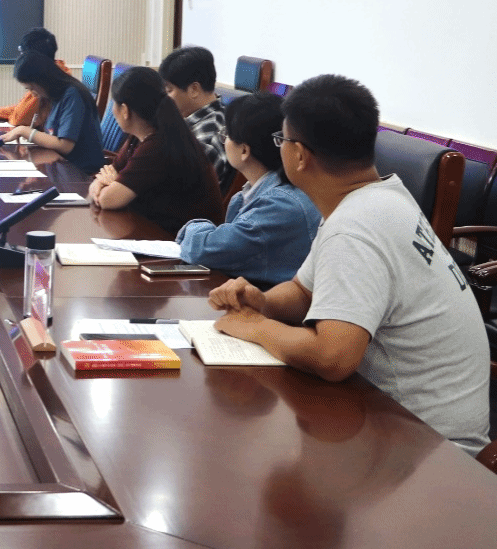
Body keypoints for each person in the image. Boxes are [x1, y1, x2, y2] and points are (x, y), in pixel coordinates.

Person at [207, 75, 490, 455]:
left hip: (433, 451)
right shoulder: (378, 197)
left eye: (281, 141)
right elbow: (304, 290)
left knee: (243, 450)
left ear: (299, 155)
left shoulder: (356, 227)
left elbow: (332, 357)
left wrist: (256, 327)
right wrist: (263, 302)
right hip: (403, 426)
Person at [176, 92, 321, 286]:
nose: (224, 141)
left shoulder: (281, 204)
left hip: (273, 303)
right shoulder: (246, 196)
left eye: (226, 135)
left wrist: (192, 228)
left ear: (244, 150)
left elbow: (204, 250)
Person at [88, 66, 223, 234]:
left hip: (181, 240)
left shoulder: (159, 144)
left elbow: (108, 200)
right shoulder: (140, 135)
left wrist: (111, 184)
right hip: (154, 228)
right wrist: (107, 182)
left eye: (113, 103)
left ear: (125, 110)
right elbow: (107, 174)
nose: (112, 109)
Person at [1, 49, 103, 174]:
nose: (32, 93)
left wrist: (24, 131)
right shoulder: (55, 95)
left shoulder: (72, 95)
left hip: (79, 171)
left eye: (32, 88)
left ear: (43, 80)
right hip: (60, 165)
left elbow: (65, 146)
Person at [159, 45, 235, 191]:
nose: (164, 97)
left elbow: (177, 190)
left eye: (169, 90)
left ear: (194, 89)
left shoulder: (209, 136)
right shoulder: (183, 119)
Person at [0, 27, 72, 125]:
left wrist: (21, 129)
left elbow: (19, 119)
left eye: (22, 53)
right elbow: (20, 110)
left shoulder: (46, 81)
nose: (20, 58)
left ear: (32, 57)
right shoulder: (57, 71)